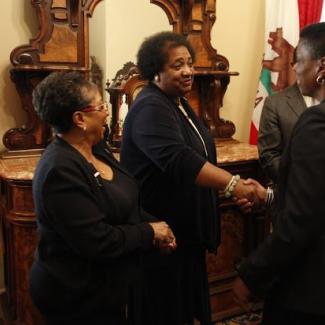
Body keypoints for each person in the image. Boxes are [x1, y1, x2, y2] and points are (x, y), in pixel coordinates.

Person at [120, 31, 259, 325]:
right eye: (177, 65)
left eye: (189, 63)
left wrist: (228, 192)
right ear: (154, 71)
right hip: (164, 238)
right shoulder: (150, 106)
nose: (187, 71)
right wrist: (233, 184)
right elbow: (179, 160)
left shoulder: (178, 103)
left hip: (186, 236)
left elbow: (201, 160)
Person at [29, 71, 176, 325]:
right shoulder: (59, 170)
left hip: (111, 288)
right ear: (80, 119)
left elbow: (125, 201)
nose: (107, 112)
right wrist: (149, 232)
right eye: (101, 106)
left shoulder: (96, 147)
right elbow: (97, 241)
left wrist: (160, 228)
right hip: (76, 296)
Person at [233, 22, 325, 325]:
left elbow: (301, 218)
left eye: (299, 60)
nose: (295, 68)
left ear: (320, 66)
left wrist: (252, 273)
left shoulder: (316, 124)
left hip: (309, 291)